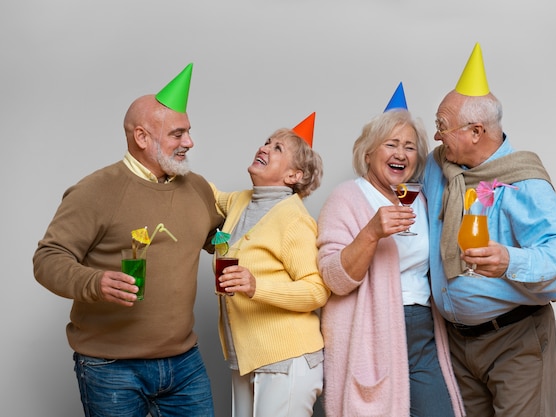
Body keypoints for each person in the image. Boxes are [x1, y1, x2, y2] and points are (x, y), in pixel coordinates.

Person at [33, 63, 224, 417]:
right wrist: (95, 281)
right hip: (111, 367)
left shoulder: (196, 187)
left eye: (188, 132)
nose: (189, 142)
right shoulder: (96, 190)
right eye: (177, 134)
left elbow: (218, 237)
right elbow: (47, 259)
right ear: (141, 138)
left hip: (184, 362)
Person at [423, 43, 556, 417]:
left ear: (476, 131)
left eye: (442, 127)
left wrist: (510, 259)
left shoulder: (523, 181)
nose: (436, 137)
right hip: (456, 346)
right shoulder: (439, 166)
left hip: (515, 341)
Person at [316, 83, 465, 417]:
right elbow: (334, 279)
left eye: (410, 147)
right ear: (368, 154)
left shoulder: (422, 200)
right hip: (374, 333)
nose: (401, 153)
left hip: (423, 331)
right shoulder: (347, 198)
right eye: (392, 144)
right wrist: (371, 232)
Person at [209, 112, 330, 417]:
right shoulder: (241, 201)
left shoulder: (294, 219)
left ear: (294, 176)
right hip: (246, 358)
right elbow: (203, 193)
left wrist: (256, 286)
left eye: (277, 149)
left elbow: (317, 291)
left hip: (286, 361)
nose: (264, 148)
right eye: (266, 142)